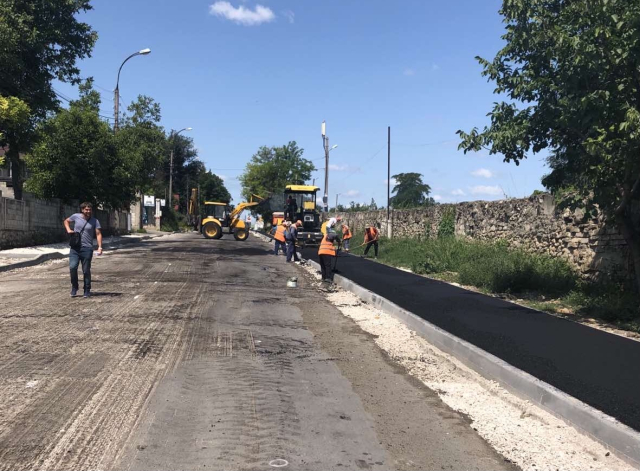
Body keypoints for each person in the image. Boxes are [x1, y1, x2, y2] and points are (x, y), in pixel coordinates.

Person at [63, 202, 103, 298]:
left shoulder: (95, 221)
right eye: (86, 209)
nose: (88, 211)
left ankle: (87, 289)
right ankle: (74, 287)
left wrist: (100, 247)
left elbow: (98, 234)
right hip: (75, 248)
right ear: (82, 210)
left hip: (87, 248)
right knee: (73, 267)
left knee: (86, 270)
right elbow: (66, 221)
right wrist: (68, 230)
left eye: (90, 209)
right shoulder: (76, 216)